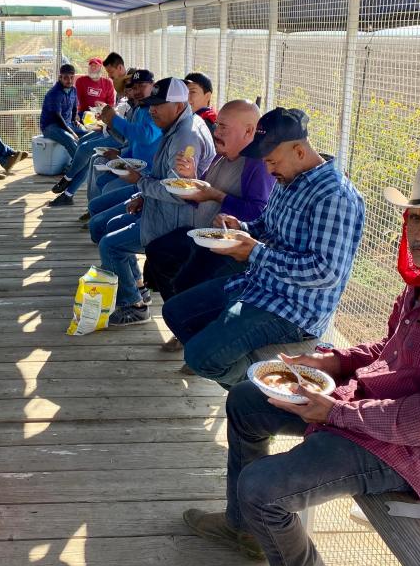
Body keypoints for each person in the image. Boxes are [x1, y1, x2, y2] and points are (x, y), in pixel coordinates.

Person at [186, 157, 420, 566]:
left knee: (262, 489)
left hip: (412, 450)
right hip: (373, 406)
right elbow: (392, 348)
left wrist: (333, 413)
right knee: (246, 401)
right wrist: (333, 361)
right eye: (415, 218)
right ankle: (245, 529)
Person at [162, 107, 365, 386]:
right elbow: (266, 227)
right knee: (175, 312)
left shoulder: (334, 196)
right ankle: (243, 376)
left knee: (200, 358)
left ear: (299, 151)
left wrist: (254, 252)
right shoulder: (289, 177)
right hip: (259, 285)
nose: (269, 170)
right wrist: (240, 228)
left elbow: (325, 273)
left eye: (272, 162)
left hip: (293, 310)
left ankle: (259, 388)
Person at [143, 100, 274, 353]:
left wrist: (215, 195)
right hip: (202, 234)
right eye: (217, 127)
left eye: (224, 128)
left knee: (186, 280)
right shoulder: (222, 157)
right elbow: (203, 193)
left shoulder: (257, 165)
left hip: (228, 247)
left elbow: (259, 214)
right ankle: (186, 327)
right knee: (158, 251)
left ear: (249, 131)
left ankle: (195, 334)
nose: (217, 133)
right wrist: (191, 179)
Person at [99, 77, 215, 326]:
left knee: (110, 246)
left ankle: (134, 306)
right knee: (110, 227)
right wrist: (142, 195)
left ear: (178, 105)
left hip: (176, 224)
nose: (152, 109)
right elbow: (167, 178)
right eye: (150, 104)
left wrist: (139, 182)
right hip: (161, 211)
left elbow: (179, 192)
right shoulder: (179, 125)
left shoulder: (186, 136)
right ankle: (138, 289)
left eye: (159, 104)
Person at [52, 69, 161, 209]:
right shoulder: (139, 108)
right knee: (96, 165)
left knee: (88, 151)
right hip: (132, 163)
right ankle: (78, 197)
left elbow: (145, 136)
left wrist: (114, 120)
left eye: (142, 86)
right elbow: (130, 139)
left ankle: (74, 190)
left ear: (154, 85)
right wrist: (113, 133)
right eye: (133, 87)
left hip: (148, 174)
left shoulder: (154, 109)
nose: (135, 91)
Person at [40, 63, 87, 161]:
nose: (69, 81)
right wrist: (71, 132)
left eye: (71, 78)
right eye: (66, 78)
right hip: (51, 126)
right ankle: (81, 167)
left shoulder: (73, 90)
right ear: (60, 77)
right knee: (69, 138)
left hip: (67, 124)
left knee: (87, 135)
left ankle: (85, 162)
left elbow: (74, 108)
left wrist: (75, 120)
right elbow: (57, 116)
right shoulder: (54, 93)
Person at [75, 56, 116, 121]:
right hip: (83, 114)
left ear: (100, 68)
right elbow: (75, 99)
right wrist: (75, 113)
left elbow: (111, 104)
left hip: (101, 115)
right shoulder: (81, 81)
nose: (93, 68)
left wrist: (103, 105)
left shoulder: (108, 83)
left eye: (95, 66)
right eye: (91, 66)